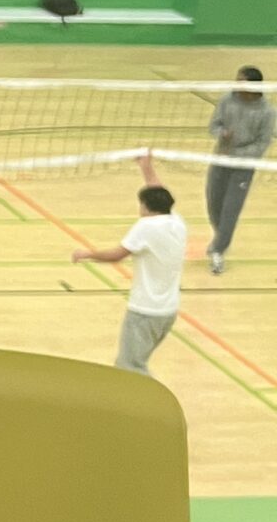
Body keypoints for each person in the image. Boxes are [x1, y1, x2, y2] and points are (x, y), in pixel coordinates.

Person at [72, 155, 186, 375]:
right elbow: (158, 190)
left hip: (145, 313)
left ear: (146, 206)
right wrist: (146, 167)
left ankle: (151, 406)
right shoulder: (176, 222)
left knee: (130, 367)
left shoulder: (146, 227)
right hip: (167, 312)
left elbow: (117, 254)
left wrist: (87, 254)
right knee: (135, 363)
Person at [205, 64, 272, 273]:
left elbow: (262, 143)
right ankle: (222, 237)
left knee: (230, 210)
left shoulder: (267, 112)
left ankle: (218, 251)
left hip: (244, 165)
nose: (236, 83)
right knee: (214, 204)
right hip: (220, 159)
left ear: (253, 86)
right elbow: (213, 125)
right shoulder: (227, 100)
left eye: (241, 80)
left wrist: (238, 155)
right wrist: (222, 134)